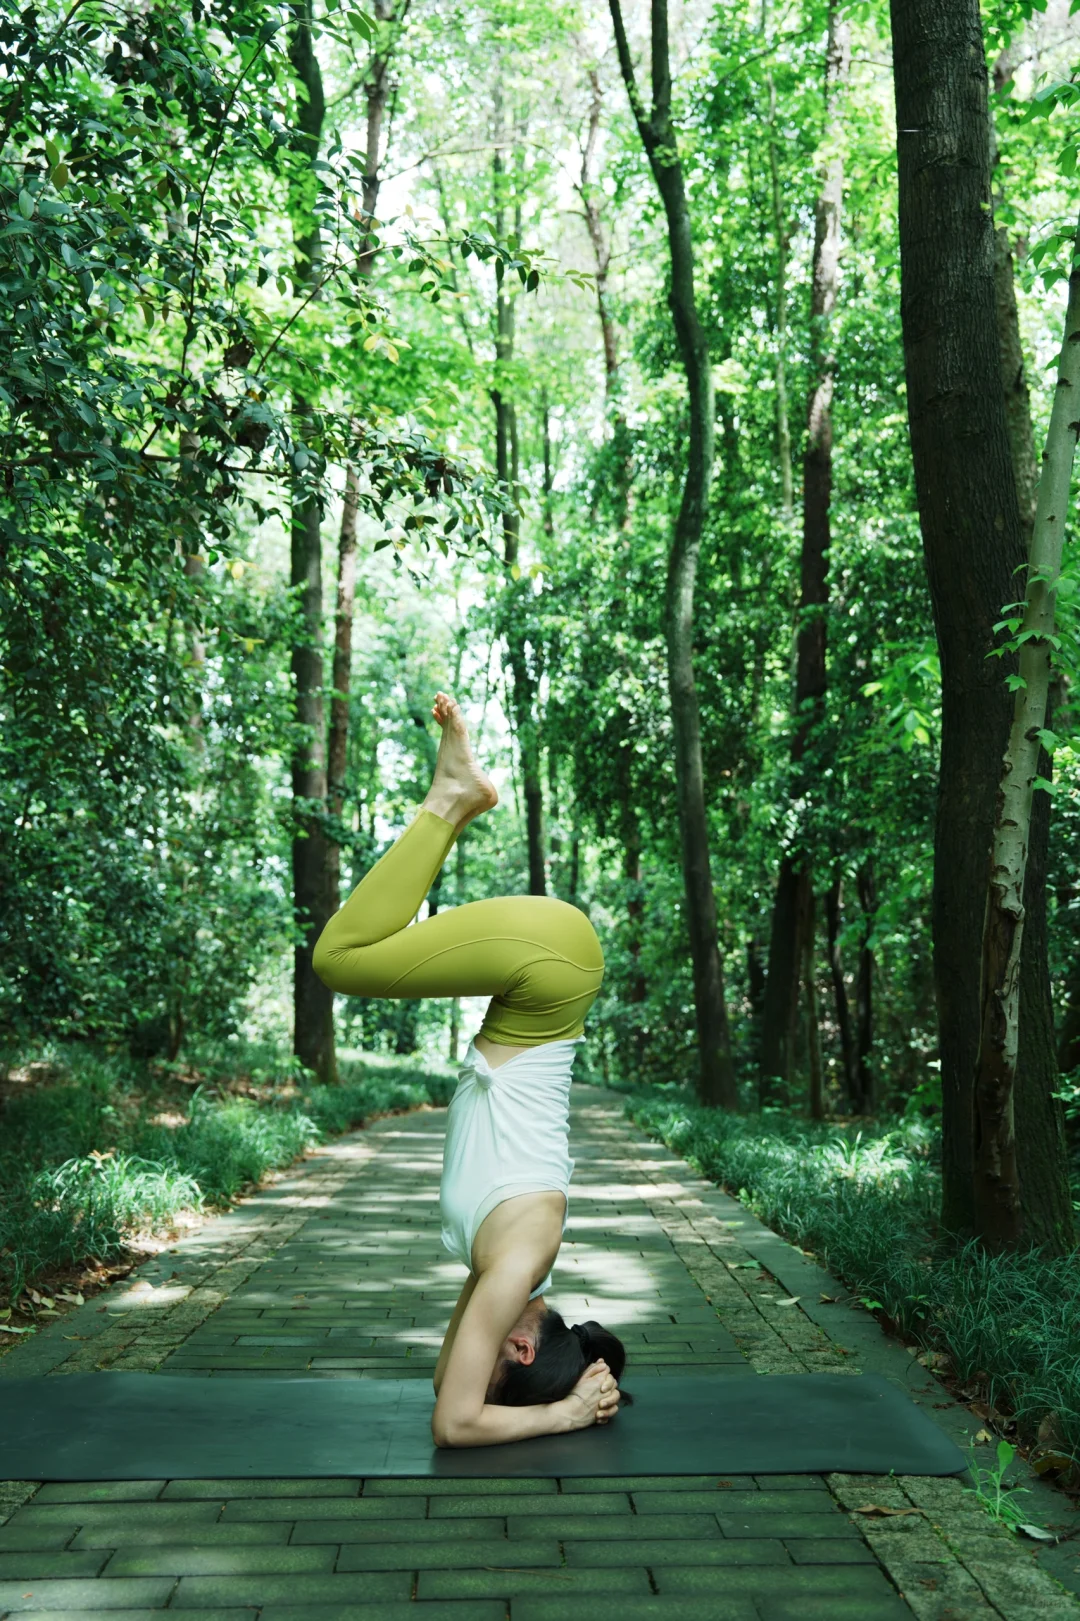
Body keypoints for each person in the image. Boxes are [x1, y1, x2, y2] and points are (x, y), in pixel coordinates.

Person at [313, 692, 630, 1448]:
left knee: (344, 955)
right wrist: (567, 1411)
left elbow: (443, 1386)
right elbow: (454, 1422)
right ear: (519, 1348)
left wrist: (575, 1383)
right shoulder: (516, 1263)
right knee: (338, 957)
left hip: (544, 974)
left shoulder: (509, 1276)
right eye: (493, 1363)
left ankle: (456, 798)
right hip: (549, 965)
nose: (467, 1359)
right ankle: (454, 797)